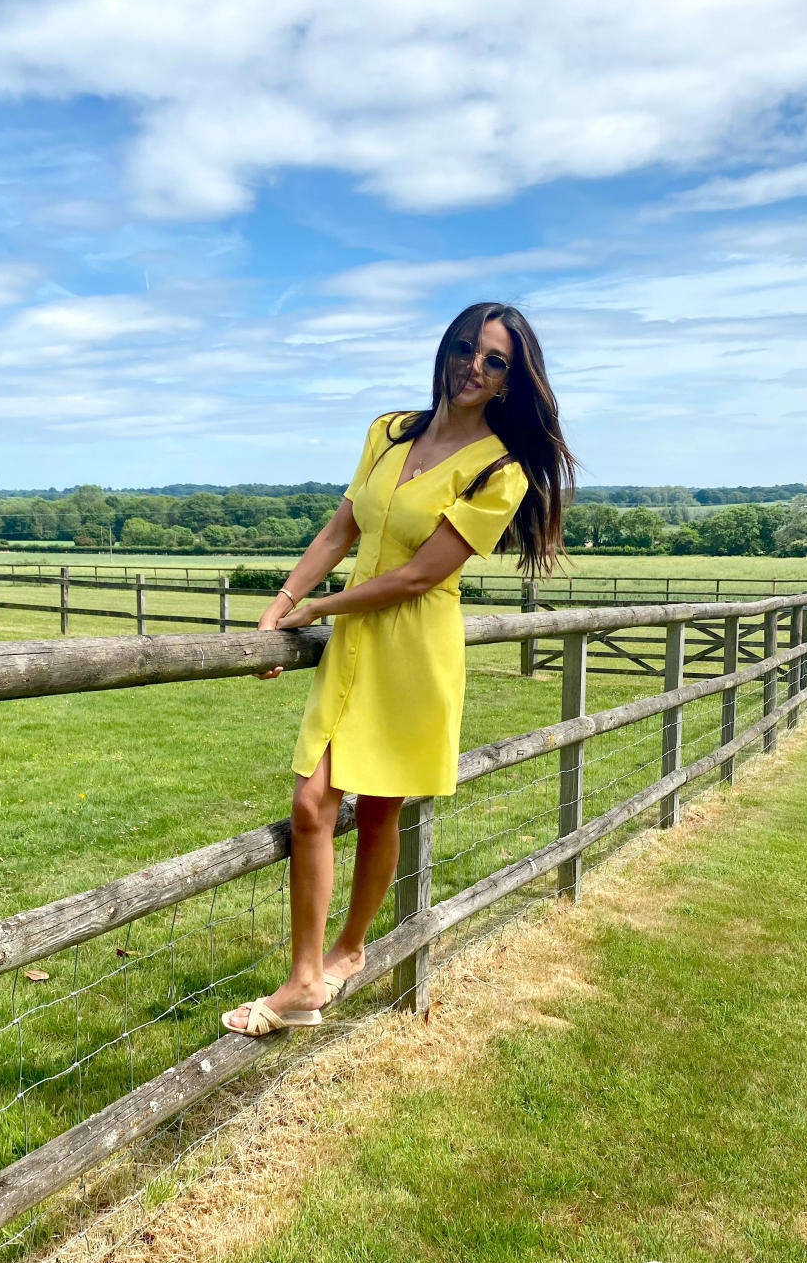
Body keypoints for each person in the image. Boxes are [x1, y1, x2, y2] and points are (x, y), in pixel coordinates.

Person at [223, 302, 575, 1036]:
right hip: (355, 635)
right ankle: (304, 976)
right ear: (445, 348)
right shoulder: (388, 430)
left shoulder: (499, 471)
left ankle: (345, 954)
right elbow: (340, 528)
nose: (472, 366)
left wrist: (322, 609)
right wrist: (282, 601)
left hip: (414, 646)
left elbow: (420, 576)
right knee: (314, 803)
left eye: (494, 360)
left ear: (511, 380)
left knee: (380, 805)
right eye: (464, 348)